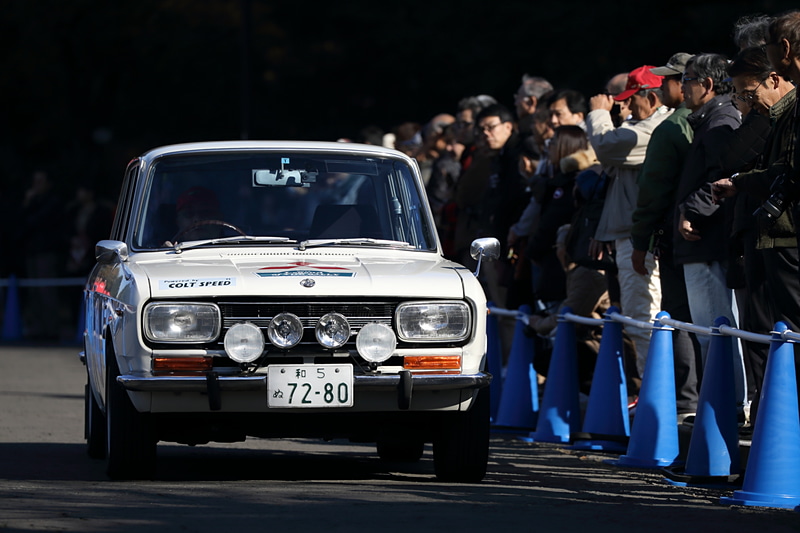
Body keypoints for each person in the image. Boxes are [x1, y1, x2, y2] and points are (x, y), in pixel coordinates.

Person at [711, 45, 799, 425]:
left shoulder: (787, 114)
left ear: (775, 77)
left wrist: (742, 182)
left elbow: (784, 173)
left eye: (747, 93)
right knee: (768, 335)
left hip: (787, 240)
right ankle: (770, 427)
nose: (745, 101)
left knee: (787, 336)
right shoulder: (777, 115)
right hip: (767, 239)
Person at [629, 53, 702, 420]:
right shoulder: (721, 118)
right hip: (711, 236)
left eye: (671, 79)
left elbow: (652, 192)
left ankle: (686, 402)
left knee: (680, 319)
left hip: (675, 238)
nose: (668, 85)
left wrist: (640, 242)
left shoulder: (672, 128)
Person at [586, 66, 671, 375]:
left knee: (644, 316)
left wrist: (599, 114)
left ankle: (656, 392)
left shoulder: (654, 129)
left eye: (631, 100)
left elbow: (607, 147)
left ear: (650, 97)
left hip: (641, 238)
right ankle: (657, 391)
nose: (626, 107)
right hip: (630, 234)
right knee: (640, 317)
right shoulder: (646, 124)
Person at [673, 53, 743, 401]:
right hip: (703, 240)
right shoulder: (713, 118)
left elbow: (721, 176)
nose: (682, 86)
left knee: (715, 328)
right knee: (712, 328)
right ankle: (726, 401)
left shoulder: (720, 121)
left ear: (708, 84)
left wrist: (692, 211)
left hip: (706, 238)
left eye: (687, 79)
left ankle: (728, 403)